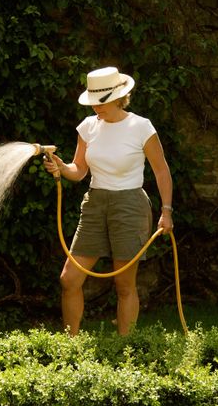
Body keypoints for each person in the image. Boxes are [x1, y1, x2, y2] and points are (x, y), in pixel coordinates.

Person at [44, 66, 173, 336]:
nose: (96, 108)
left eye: (101, 103)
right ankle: (70, 344)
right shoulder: (88, 127)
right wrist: (60, 167)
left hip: (130, 205)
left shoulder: (141, 127)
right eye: (93, 102)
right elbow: (78, 171)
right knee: (69, 279)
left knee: (124, 285)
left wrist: (166, 211)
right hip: (95, 204)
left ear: (118, 97)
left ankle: (124, 350)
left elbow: (161, 170)